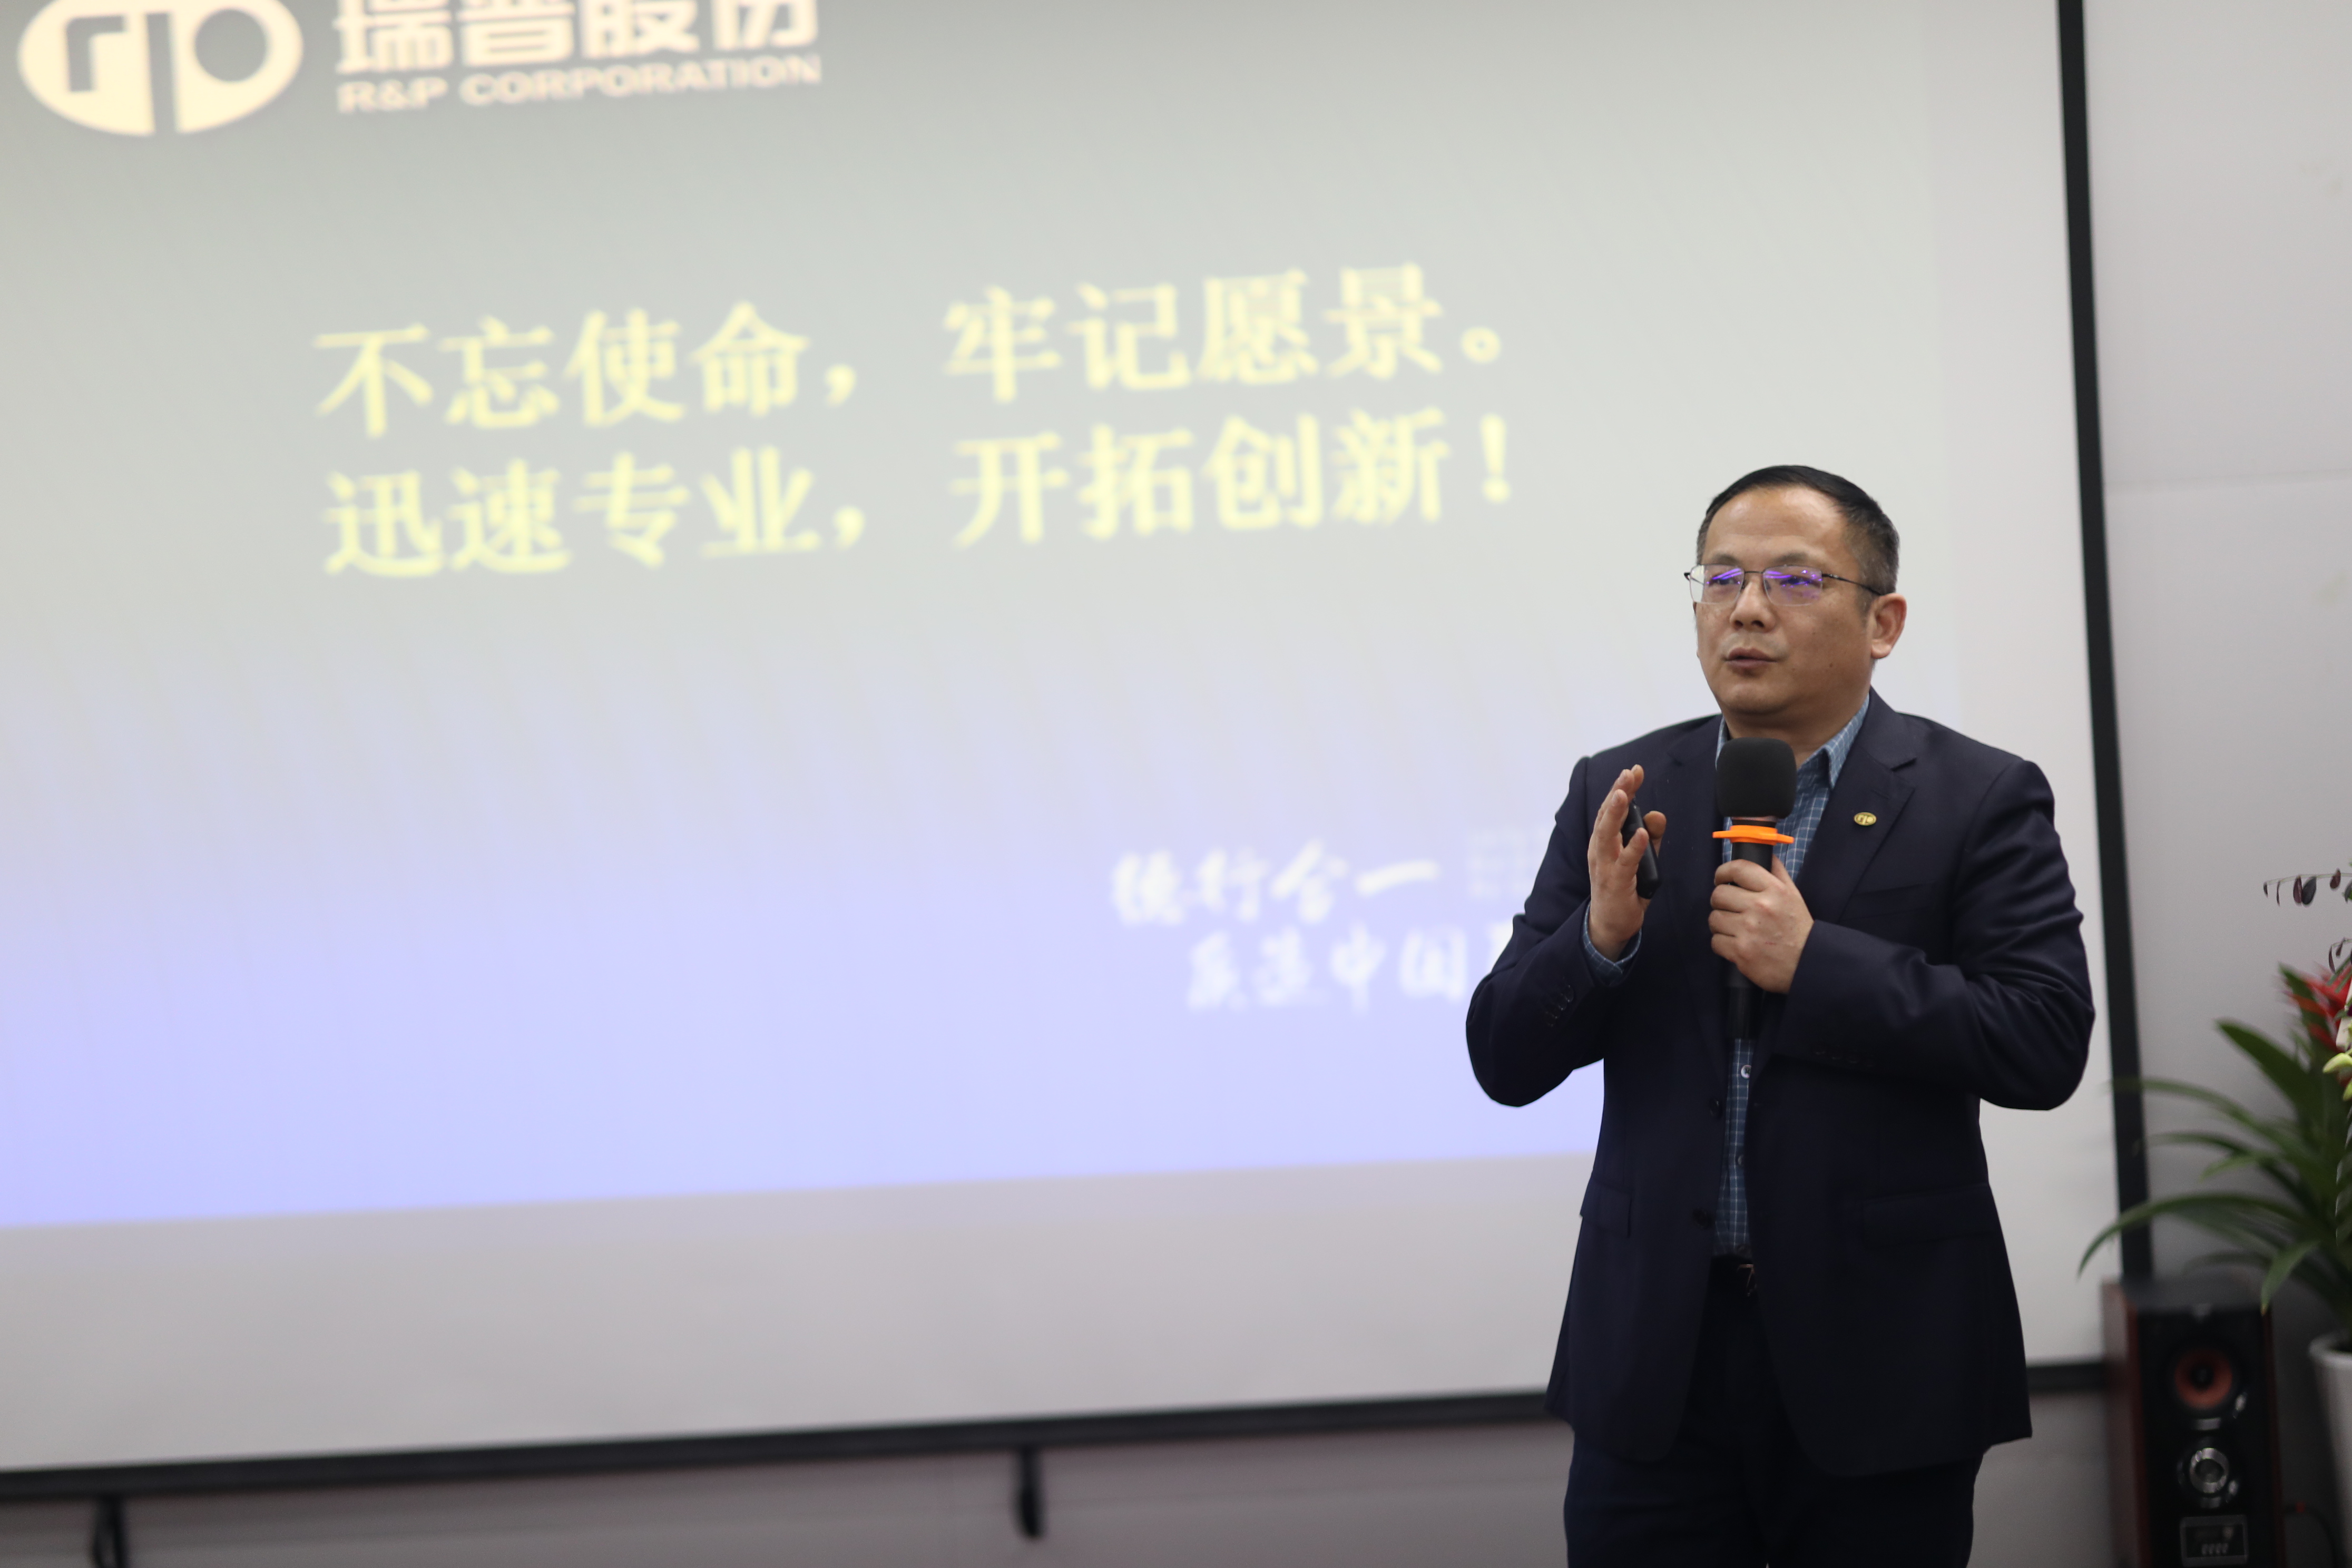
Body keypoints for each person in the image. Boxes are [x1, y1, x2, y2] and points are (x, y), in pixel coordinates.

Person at [1464, 466, 2093, 1565]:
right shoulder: (1620, 789)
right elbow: (1504, 1059)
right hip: (1658, 1360)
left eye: (1794, 580)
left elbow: (2042, 1040)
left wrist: (1819, 964)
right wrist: (1598, 941)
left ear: (1884, 622)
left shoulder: (1977, 797)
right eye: (1721, 579)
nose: (1746, 609)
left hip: (1882, 1357)